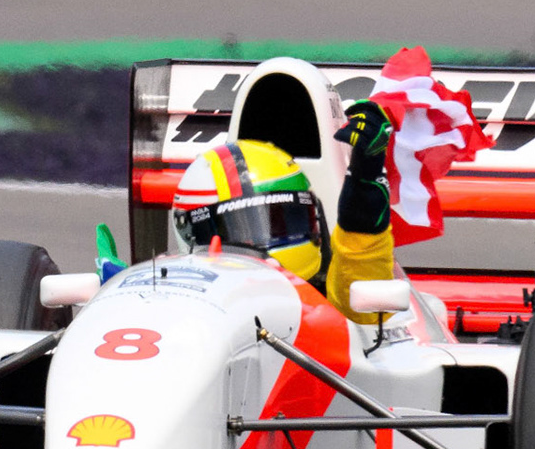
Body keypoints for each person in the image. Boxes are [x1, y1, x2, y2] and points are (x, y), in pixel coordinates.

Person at [169, 98, 398, 323]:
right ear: (190, 234)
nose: (263, 244)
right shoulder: (172, 310)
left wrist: (362, 216)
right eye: (239, 229)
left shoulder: (336, 308)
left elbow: (364, 314)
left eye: (282, 221)